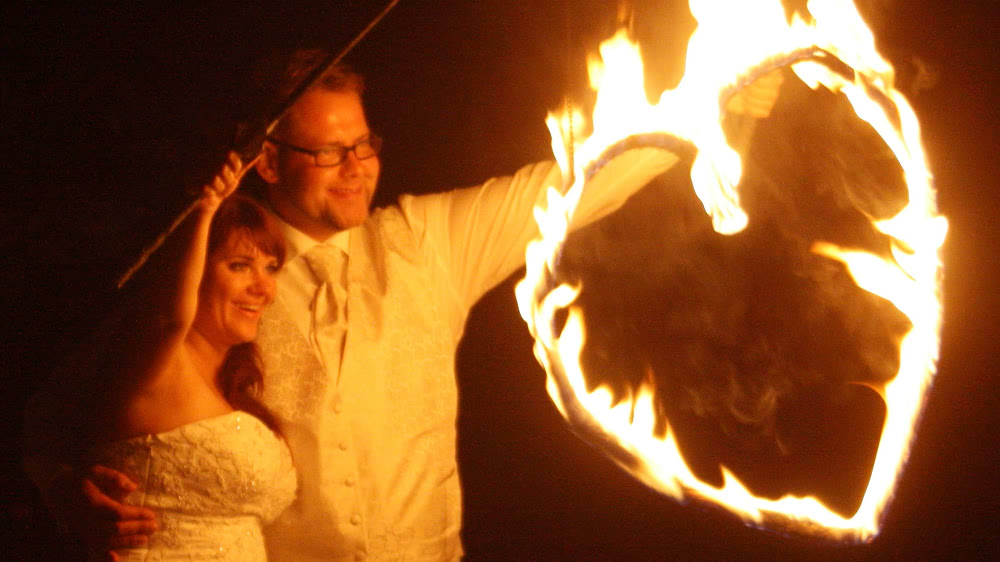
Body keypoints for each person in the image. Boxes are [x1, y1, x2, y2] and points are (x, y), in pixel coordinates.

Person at [27, 50, 779, 560]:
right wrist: (71, 496)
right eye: (330, 151)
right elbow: (50, 419)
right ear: (267, 160)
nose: (358, 168)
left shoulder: (431, 241)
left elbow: (575, 183)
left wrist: (711, 105)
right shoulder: (216, 280)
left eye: (366, 143)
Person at [23, 155, 296, 560]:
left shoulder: (235, 384)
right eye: (240, 266)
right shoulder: (152, 363)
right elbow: (171, 319)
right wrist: (205, 211)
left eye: (271, 268)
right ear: (193, 271)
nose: (263, 287)